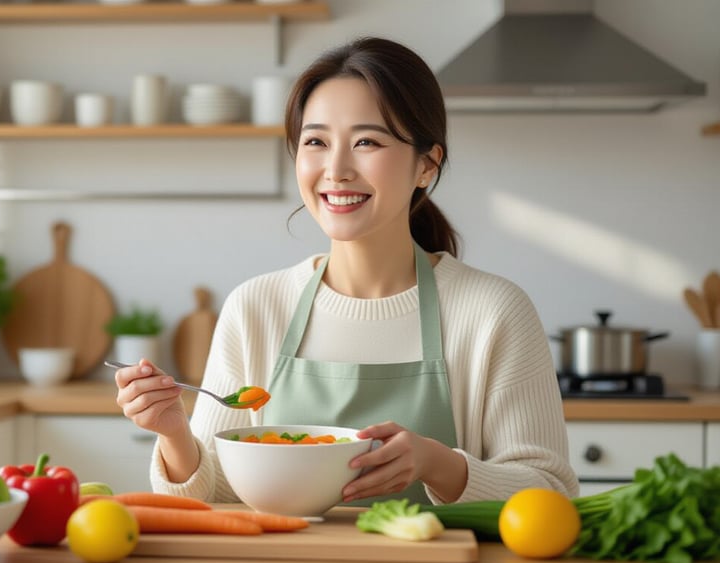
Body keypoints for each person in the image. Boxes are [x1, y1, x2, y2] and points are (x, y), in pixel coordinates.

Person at [112, 36, 578, 506]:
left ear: (426, 165)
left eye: (366, 142)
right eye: (315, 141)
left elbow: (551, 492)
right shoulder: (256, 307)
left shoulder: (493, 312)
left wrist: (437, 463)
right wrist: (174, 433)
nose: (335, 169)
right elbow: (216, 491)